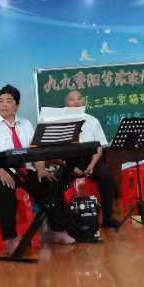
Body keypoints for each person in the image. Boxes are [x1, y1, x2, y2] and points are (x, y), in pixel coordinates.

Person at [0, 84, 75, 255]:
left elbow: (35, 151)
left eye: (8, 101)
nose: (3, 104)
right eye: (0, 101)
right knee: (5, 189)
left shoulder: (26, 124)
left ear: (17, 105)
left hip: (22, 171)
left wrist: (41, 169)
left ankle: (58, 231)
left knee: (51, 183)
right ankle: (10, 239)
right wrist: (0, 172)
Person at [61, 91, 120, 228]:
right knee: (57, 181)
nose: (76, 102)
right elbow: (57, 152)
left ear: (84, 102)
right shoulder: (59, 122)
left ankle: (108, 218)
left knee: (106, 174)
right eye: (72, 100)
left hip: (90, 158)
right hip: (68, 160)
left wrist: (92, 165)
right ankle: (64, 223)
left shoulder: (92, 120)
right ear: (66, 104)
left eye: (79, 99)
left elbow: (99, 147)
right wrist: (70, 166)